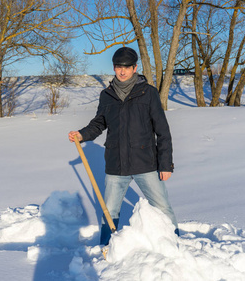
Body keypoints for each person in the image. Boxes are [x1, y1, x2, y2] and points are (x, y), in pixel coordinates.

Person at [68, 47, 179, 245]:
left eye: (127, 67)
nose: (122, 71)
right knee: (109, 211)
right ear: (114, 67)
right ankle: (106, 247)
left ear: (135, 68)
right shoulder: (107, 95)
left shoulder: (148, 93)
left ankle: (175, 244)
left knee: (162, 207)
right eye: (119, 67)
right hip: (116, 165)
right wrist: (82, 134)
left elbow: (163, 131)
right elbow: (99, 123)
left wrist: (165, 164)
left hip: (145, 163)